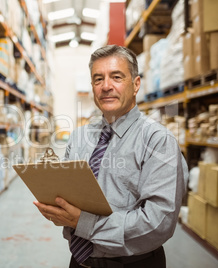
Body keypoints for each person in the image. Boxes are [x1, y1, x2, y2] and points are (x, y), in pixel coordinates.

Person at [34, 45, 188, 268]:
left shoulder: (157, 141)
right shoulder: (79, 137)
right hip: (79, 261)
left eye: (116, 77)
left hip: (133, 263)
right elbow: (69, 197)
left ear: (136, 85)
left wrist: (83, 222)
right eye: (98, 79)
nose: (106, 86)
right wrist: (57, 208)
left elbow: (158, 223)